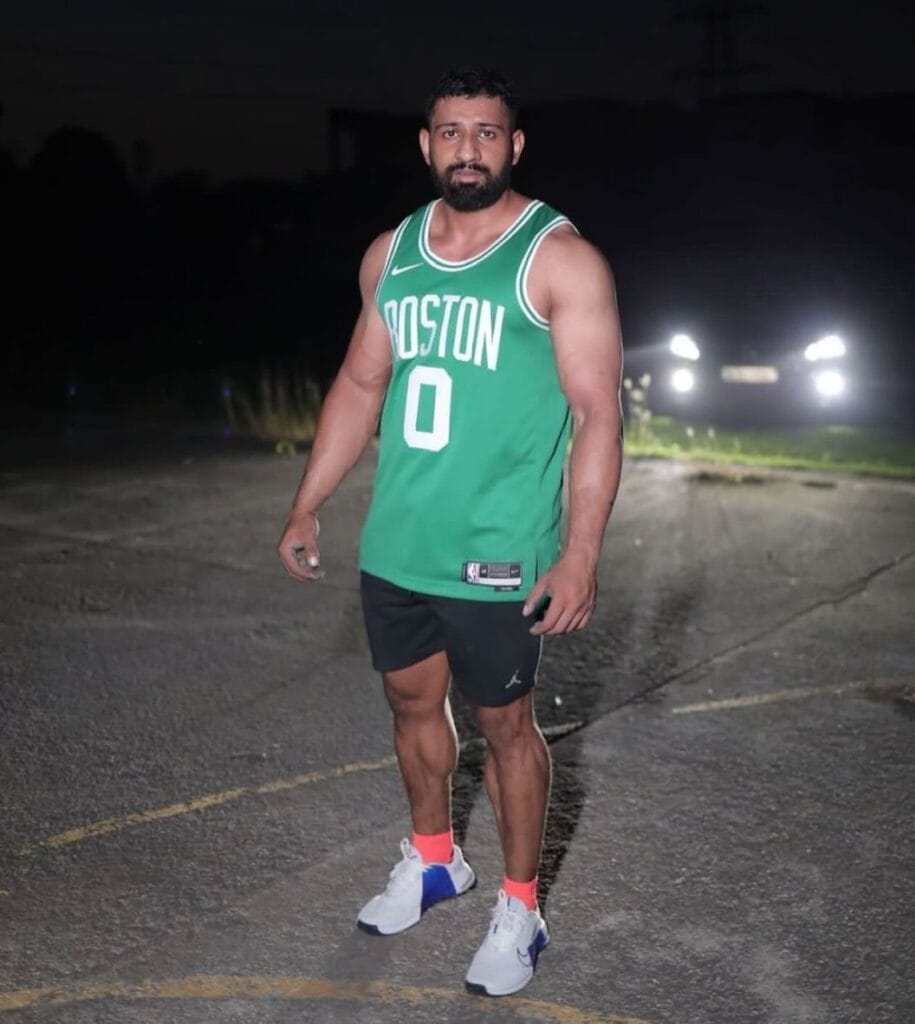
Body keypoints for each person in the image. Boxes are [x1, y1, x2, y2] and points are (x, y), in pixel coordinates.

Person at [278, 68, 623, 998]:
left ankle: (521, 905)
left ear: (514, 146)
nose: (466, 148)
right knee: (408, 706)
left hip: (500, 547)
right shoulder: (391, 254)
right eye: (449, 133)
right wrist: (309, 501)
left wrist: (580, 551)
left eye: (486, 133)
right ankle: (435, 860)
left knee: (506, 725)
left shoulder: (560, 259)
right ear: (426, 145)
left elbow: (597, 414)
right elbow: (360, 385)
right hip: (400, 543)